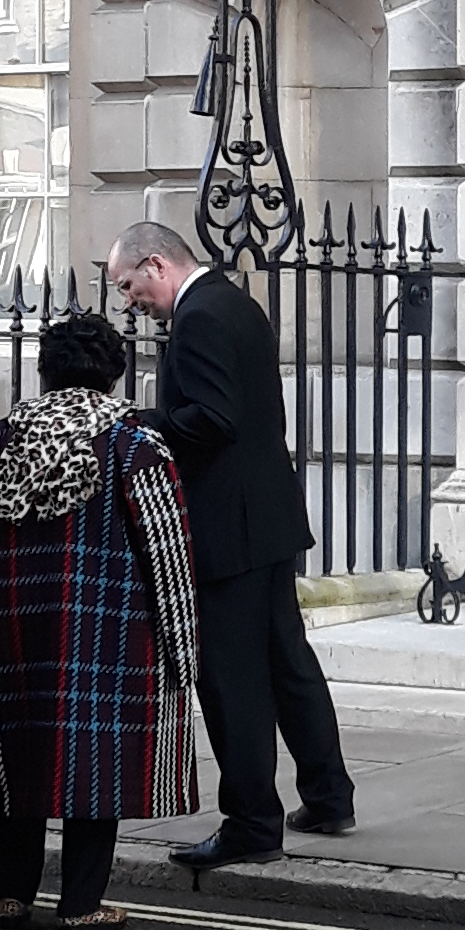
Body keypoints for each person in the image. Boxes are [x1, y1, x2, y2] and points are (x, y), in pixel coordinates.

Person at [0, 308, 202, 930]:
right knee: (97, 762)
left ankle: (9, 895)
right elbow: (167, 551)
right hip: (107, 630)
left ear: (45, 371)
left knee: (17, 755)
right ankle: (82, 903)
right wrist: (182, 646)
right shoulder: (134, 444)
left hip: (6, 630)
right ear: (113, 373)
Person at [108, 221, 354, 865]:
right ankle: (329, 795)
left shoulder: (200, 318)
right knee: (286, 661)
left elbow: (214, 418)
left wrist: (141, 423)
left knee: (232, 679)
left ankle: (250, 823)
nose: (129, 300)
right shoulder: (233, 301)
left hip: (229, 527)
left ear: (156, 265)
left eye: (129, 285)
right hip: (267, 518)